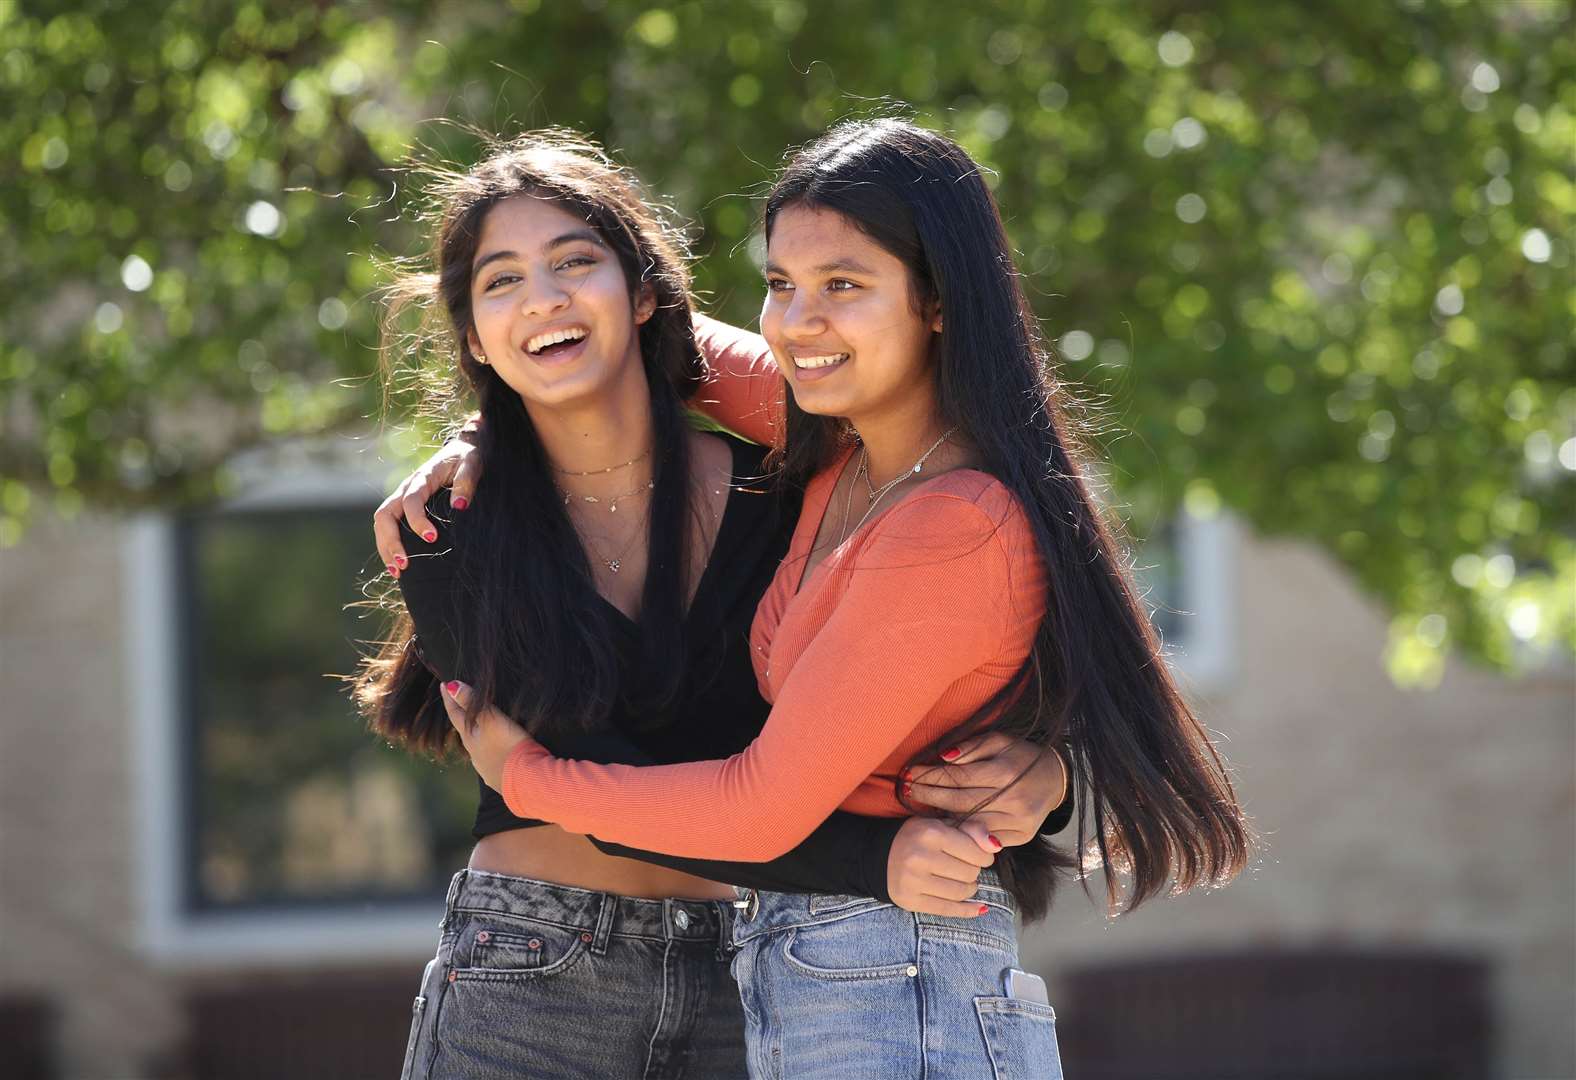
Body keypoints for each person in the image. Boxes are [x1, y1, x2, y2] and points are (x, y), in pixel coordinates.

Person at [428, 118, 1252, 1078]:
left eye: (845, 286)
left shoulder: (946, 521)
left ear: (938, 300)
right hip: (785, 975)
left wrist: (525, 777)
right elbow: (608, 343)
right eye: (780, 284)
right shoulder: (836, 449)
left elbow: (760, 807)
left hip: (885, 982)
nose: (795, 323)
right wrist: (480, 436)